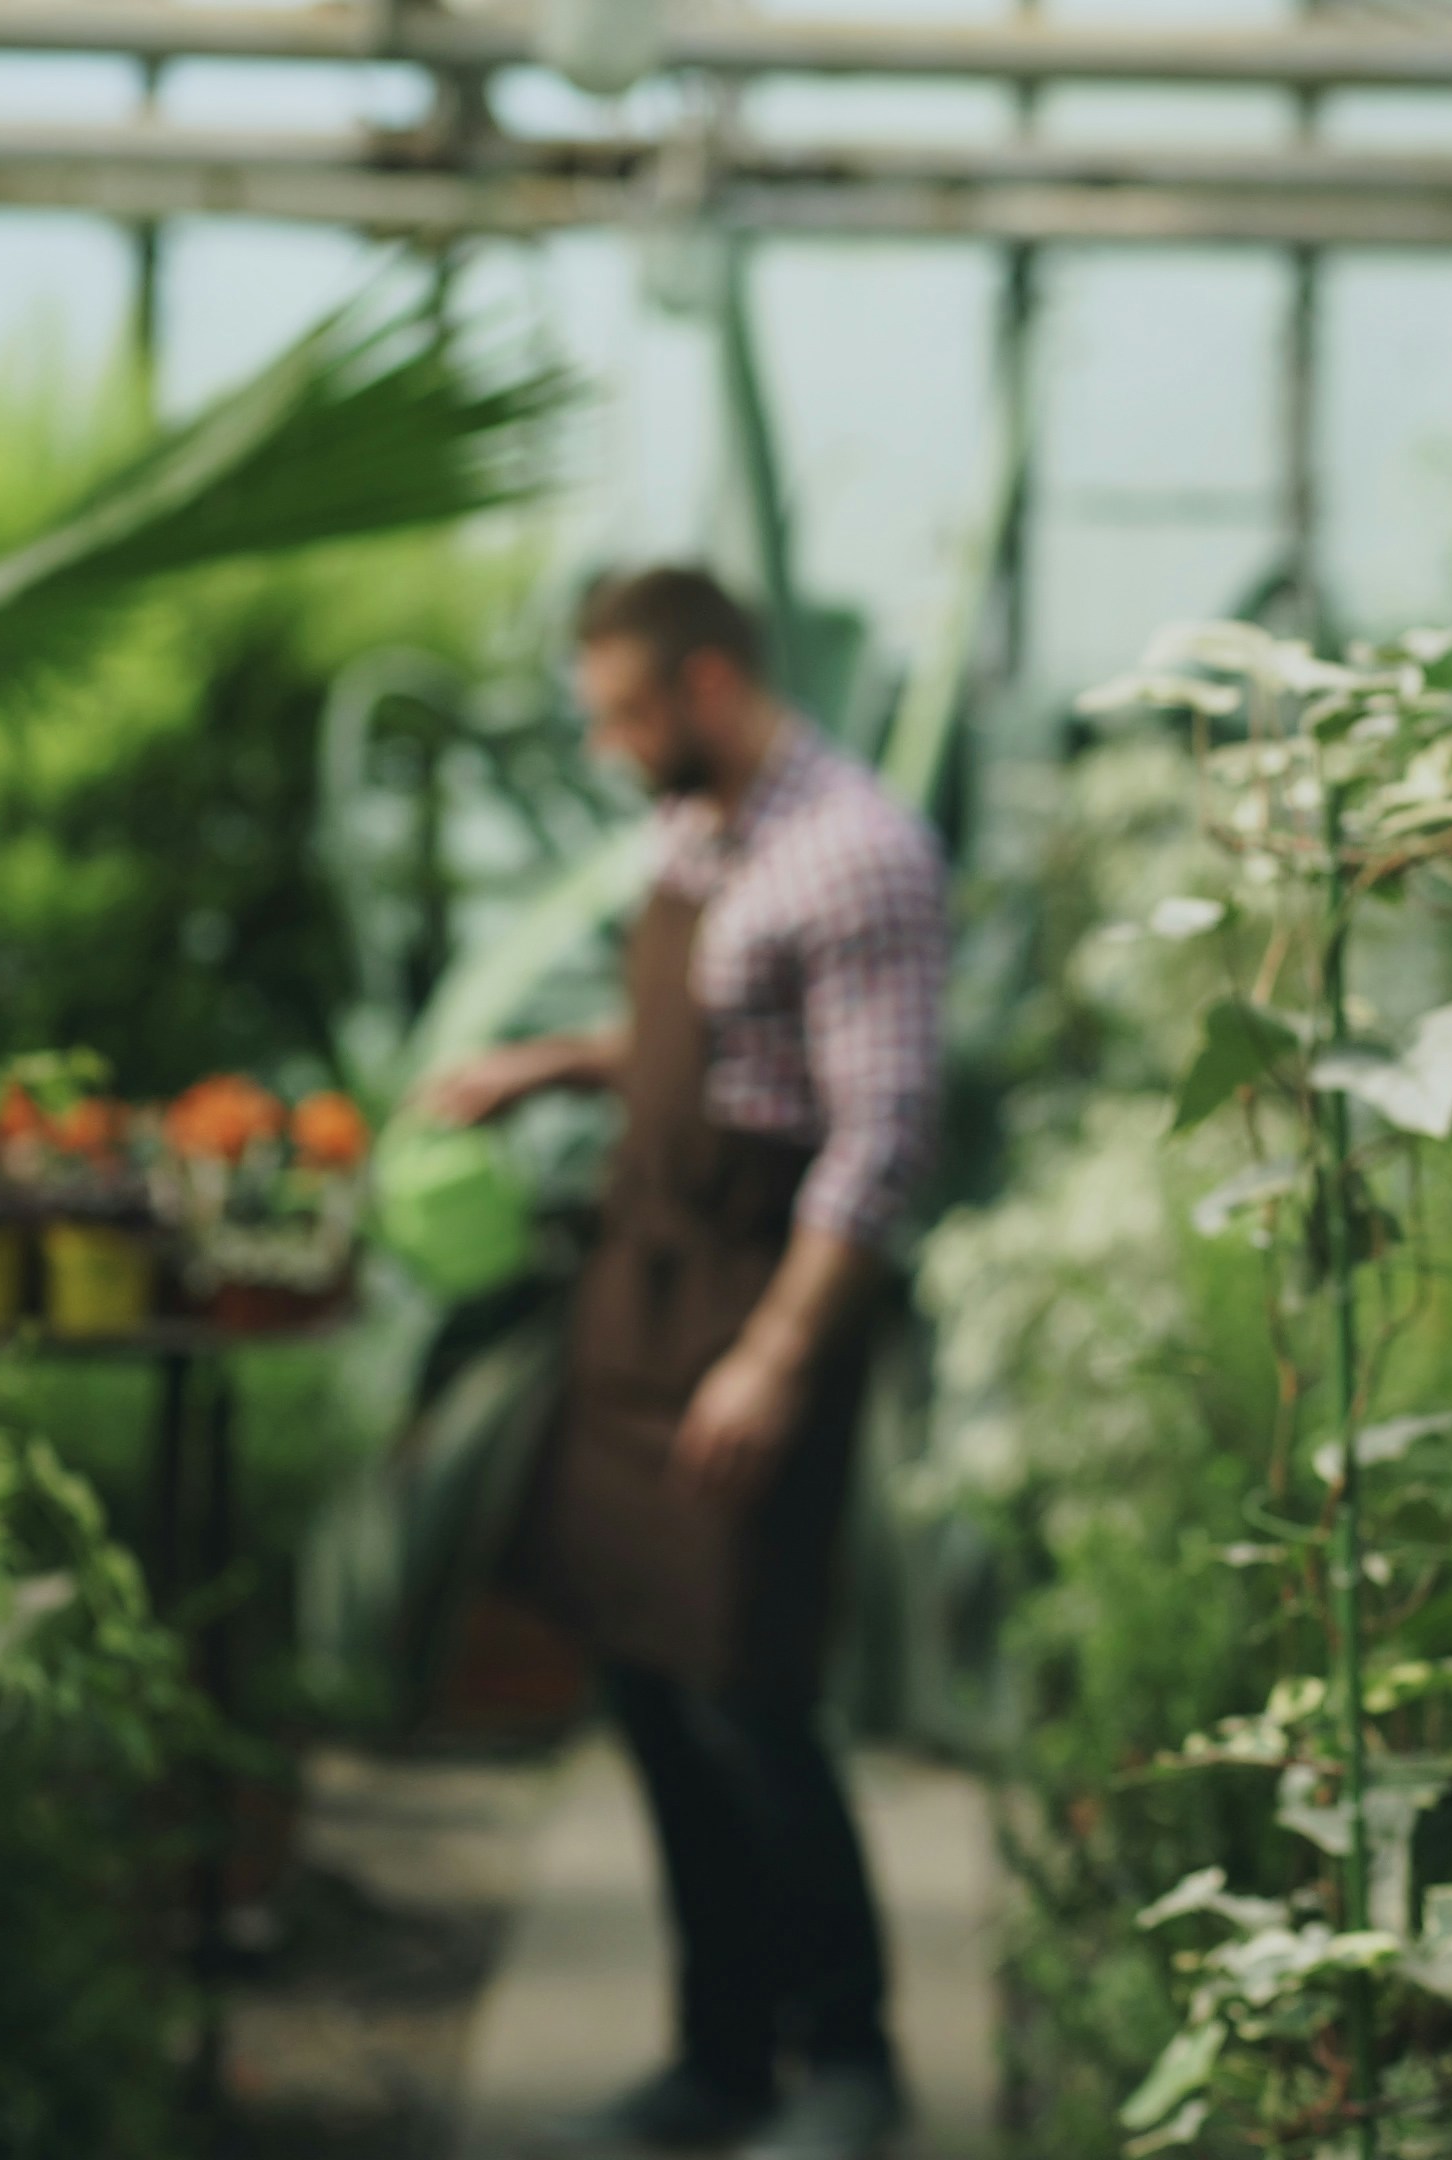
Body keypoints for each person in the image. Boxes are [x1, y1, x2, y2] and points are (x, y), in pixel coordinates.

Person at [422, 566, 945, 2158]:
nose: (609, 745)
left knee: (750, 1698)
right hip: (637, 1308)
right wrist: (553, 1061)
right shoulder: (700, 827)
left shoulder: (855, 856)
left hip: (751, 1313)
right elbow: (719, 1043)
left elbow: (879, 1139)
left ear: (709, 684)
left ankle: (849, 2062)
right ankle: (719, 2056)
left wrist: (776, 1360)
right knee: (648, 1687)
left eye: (626, 713)